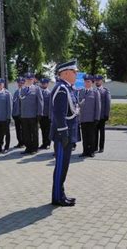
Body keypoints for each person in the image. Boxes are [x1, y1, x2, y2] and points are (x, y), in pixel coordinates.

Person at [50, 59, 81, 207]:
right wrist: (64, 135)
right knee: (61, 167)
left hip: (68, 135)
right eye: (75, 72)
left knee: (64, 167)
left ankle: (61, 194)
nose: (76, 74)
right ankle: (57, 197)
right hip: (63, 136)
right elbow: (58, 114)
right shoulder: (61, 89)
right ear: (66, 73)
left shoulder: (68, 88)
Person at [20, 72, 44, 155]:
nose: (29, 80)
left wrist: (39, 113)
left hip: (33, 115)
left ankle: (34, 148)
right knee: (26, 133)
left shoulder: (37, 89)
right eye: (27, 79)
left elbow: (40, 102)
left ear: (33, 80)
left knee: (34, 133)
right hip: (24, 115)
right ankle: (28, 147)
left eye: (30, 79)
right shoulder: (22, 89)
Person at [78, 75, 101, 158]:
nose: (86, 83)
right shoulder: (81, 91)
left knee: (91, 136)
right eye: (85, 81)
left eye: (88, 82)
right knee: (84, 136)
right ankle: (85, 151)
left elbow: (98, 107)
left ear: (92, 83)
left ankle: (91, 151)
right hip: (83, 118)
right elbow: (79, 105)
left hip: (91, 119)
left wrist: (97, 118)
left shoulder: (95, 92)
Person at [94, 74, 111, 153]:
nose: (97, 82)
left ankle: (101, 147)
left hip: (102, 116)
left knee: (102, 132)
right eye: (96, 80)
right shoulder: (93, 91)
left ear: (101, 81)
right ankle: (95, 147)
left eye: (98, 80)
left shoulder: (105, 91)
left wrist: (106, 114)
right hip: (94, 116)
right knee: (95, 133)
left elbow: (108, 104)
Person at [39, 78, 52, 150]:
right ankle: (44, 143)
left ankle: (48, 144)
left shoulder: (49, 93)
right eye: (42, 83)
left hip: (47, 115)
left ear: (47, 84)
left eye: (45, 83)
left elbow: (50, 106)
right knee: (43, 130)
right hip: (41, 115)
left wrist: (50, 116)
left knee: (48, 131)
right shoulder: (39, 92)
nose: (43, 84)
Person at [12, 77, 25, 148]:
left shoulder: (25, 91)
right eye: (19, 83)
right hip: (16, 114)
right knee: (18, 129)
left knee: (23, 130)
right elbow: (14, 104)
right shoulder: (16, 92)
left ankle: (23, 142)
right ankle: (19, 142)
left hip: (23, 115)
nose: (20, 84)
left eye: (22, 83)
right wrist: (13, 113)